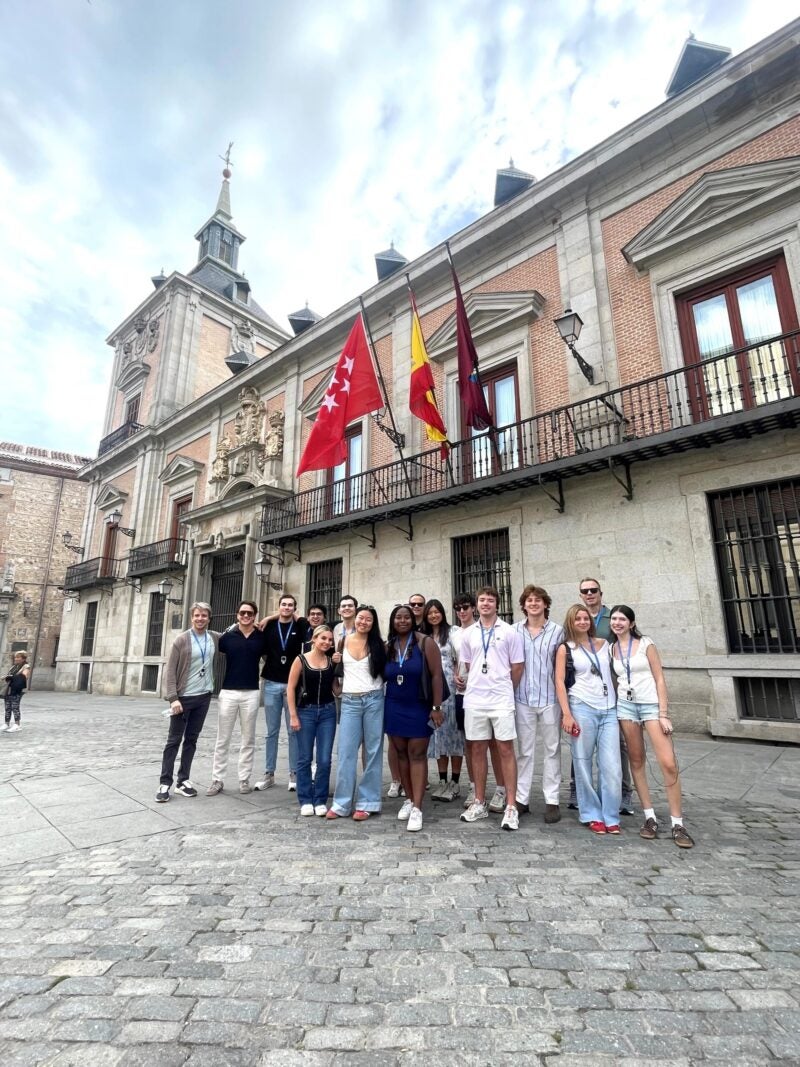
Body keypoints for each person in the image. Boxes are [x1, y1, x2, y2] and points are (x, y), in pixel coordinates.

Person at [609, 605, 694, 849]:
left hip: (651, 707)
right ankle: (649, 817)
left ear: (631, 623)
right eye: (614, 619)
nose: (617, 622)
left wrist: (663, 713)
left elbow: (659, 677)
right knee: (636, 760)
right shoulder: (612, 648)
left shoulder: (646, 644)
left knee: (668, 763)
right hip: (626, 707)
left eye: (622, 619)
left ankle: (678, 822)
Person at [459, 586, 524, 831]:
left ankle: (510, 806)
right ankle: (478, 801)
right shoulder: (469, 634)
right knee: (477, 748)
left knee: (505, 748)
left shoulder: (509, 632)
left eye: (490, 600)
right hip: (475, 699)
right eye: (481, 600)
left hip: (501, 699)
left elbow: (517, 667)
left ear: (497, 604)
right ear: (476, 605)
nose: (485, 604)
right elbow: (468, 663)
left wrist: (505, 687)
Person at [555, 604, 621, 834]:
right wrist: (566, 714)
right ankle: (592, 813)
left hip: (609, 709)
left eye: (585, 618)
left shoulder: (605, 646)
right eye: (578, 619)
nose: (582, 622)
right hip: (581, 707)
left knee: (611, 765)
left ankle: (611, 814)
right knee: (582, 763)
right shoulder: (566, 648)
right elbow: (560, 683)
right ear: (571, 623)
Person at [574, 577, 634, 815]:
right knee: (581, 743)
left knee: (618, 746)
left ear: (600, 592)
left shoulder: (614, 618)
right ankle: (576, 790)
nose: (589, 594)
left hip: (613, 688)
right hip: (585, 692)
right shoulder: (578, 617)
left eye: (593, 590)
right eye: (585, 591)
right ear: (580, 595)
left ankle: (624, 792)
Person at [384, 604, 444, 832]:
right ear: (392, 621)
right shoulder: (388, 646)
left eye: (406, 617)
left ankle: (418, 808)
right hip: (394, 706)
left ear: (413, 620)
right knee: (400, 754)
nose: (402, 621)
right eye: (397, 617)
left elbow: (437, 676)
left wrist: (436, 707)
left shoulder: (425, 642)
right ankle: (408, 799)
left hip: (419, 706)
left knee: (417, 755)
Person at [326, 605, 387, 821]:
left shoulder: (380, 645)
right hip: (350, 701)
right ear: (355, 618)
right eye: (361, 618)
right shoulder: (343, 641)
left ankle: (368, 802)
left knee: (373, 751)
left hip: (374, 699)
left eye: (368, 619)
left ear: (373, 623)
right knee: (346, 752)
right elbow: (337, 669)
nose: (363, 622)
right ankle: (341, 803)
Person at [157, 602, 220, 801]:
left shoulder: (214, 638)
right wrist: (173, 698)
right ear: (191, 617)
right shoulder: (181, 640)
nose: (200, 619)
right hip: (183, 698)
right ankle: (164, 783)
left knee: (191, 740)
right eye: (197, 615)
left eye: (204, 616)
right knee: (174, 740)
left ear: (209, 618)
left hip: (203, 697)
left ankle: (183, 780)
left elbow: (237, 630)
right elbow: (170, 671)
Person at [513, 585, 565, 823]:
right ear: (523, 605)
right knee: (525, 751)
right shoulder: (514, 631)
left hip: (550, 699)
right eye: (529, 600)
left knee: (552, 750)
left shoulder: (557, 632)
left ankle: (552, 800)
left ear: (545, 604)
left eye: (538, 600)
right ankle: (522, 799)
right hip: (523, 698)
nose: (533, 603)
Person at [207, 601, 266, 796]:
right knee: (222, 738)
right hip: (228, 692)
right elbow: (211, 641)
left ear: (255, 616)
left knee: (248, 739)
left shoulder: (261, 638)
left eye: (250, 613)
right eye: (242, 613)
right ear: (237, 615)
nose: (246, 616)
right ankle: (217, 779)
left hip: (251, 692)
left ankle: (244, 779)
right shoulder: (227, 638)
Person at [256, 593, 309, 792]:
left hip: (292, 686)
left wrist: (274, 616)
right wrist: (270, 618)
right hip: (270, 682)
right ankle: (269, 773)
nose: (286, 608)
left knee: (293, 730)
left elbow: (305, 625)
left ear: (295, 608)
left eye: (290, 605)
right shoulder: (269, 626)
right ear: (278, 606)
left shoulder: (299, 626)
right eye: (283, 604)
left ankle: (294, 773)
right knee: (271, 732)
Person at [287, 624, 337, 817]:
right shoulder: (301, 659)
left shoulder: (331, 661)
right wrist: (293, 715)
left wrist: (344, 670)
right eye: (323, 638)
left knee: (324, 759)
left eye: (330, 640)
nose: (326, 642)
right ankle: (306, 798)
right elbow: (290, 688)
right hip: (305, 711)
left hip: (328, 711)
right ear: (314, 639)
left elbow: (336, 689)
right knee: (305, 757)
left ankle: (320, 799)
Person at [422, 599, 463, 802]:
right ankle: (442, 780)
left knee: (454, 735)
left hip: (451, 689)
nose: (433, 615)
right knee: (438, 736)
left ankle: (455, 782)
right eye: (430, 612)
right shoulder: (424, 636)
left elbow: (460, 657)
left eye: (437, 612)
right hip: (432, 691)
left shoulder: (453, 632)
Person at [2, 651, 31, 732]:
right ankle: (6, 723)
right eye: (15, 657)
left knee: (15, 706)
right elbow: (9, 675)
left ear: (23, 659)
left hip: (17, 689)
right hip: (9, 688)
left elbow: (24, 676)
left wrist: (12, 677)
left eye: (18, 657)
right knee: (7, 706)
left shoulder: (26, 666)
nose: (16, 659)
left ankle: (17, 724)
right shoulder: (14, 667)